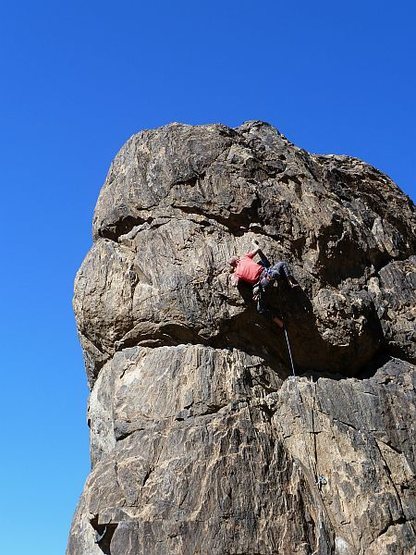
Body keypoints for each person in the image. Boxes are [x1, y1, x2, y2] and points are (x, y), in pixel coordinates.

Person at [228, 241, 298, 328]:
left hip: (263, 284)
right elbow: (257, 249)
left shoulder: (237, 273)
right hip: (268, 273)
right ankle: (290, 282)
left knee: (260, 309)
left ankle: (280, 323)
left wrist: (233, 275)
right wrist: (253, 243)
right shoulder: (244, 258)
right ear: (237, 259)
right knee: (281, 264)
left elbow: (234, 284)